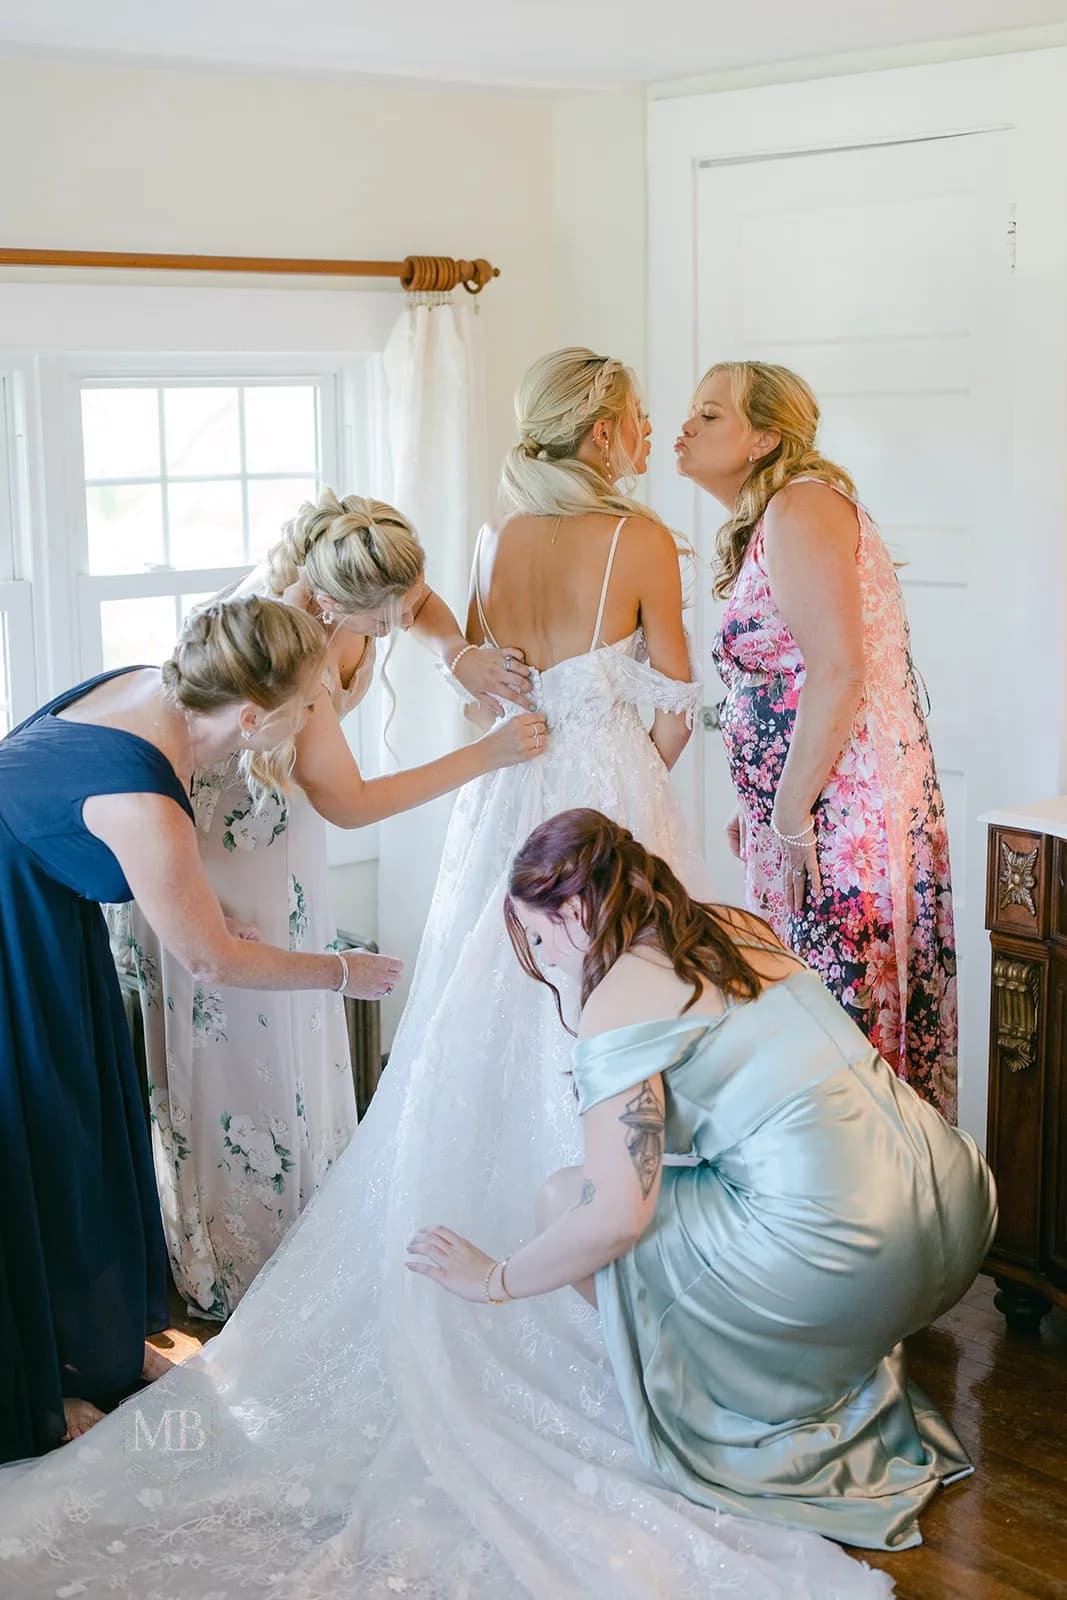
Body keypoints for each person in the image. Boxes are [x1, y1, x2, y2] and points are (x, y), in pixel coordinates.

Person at [0, 350, 882, 1599]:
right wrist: (643, 745)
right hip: (547, 794)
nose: (653, 428)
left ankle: (459, 1227)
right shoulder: (629, 544)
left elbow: (452, 647)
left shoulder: (474, 543)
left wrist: (479, 680)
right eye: (642, 413)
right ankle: (617, 1264)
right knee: (606, 1006)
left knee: (482, 1007)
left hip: (511, 799)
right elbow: (665, 691)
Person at [410, 807, 998, 1553]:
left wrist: (492, 1278)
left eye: (534, 935)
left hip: (854, 1255)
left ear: (574, 911)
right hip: (953, 1205)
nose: (541, 955)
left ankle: (732, 1405)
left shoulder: (618, 1001)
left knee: (566, 1198)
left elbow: (616, 1218)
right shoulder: (730, 927)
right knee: (689, 1192)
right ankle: (791, 1367)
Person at [0, 595, 404, 1464]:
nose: (313, 719)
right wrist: (343, 973)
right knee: (39, 1141)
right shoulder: (149, 797)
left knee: (86, 1133)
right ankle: (42, 1379)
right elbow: (211, 963)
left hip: (42, 926)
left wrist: (209, 911)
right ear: (256, 716)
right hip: (11, 948)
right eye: (308, 706)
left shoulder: (163, 689)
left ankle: (95, 1343)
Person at [122, 490, 544, 1319]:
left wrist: (454, 652)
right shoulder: (283, 653)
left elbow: (415, 599)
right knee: (246, 1047)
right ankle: (241, 1255)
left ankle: (309, 1226)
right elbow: (349, 803)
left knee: (298, 1046)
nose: (390, 630)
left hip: (284, 842)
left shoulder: (359, 565)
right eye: (377, 621)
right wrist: (485, 757)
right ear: (324, 602)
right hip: (223, 851)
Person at [675, 360, 957, 1117]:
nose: (684, 427)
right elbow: (796, 678)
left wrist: (790, 810)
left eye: (708, 414)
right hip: (807, 809)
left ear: (765, 437)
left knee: (835, 1027)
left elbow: (837, 672)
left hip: (838, 821)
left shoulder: (800, 508)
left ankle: (865, 1217)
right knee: (804, 1023)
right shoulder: (781, 515)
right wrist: (762, 800)